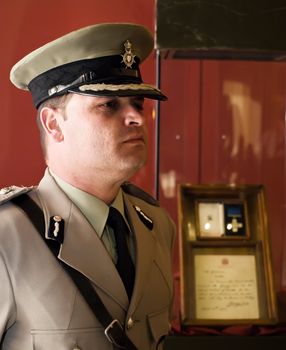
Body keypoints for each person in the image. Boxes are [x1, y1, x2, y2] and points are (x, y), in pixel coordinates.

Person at [0, 23, 175, 350]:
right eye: (109, 105)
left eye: (138, 104)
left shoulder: (157, 226)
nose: (136, 118)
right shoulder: (7, 238)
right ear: (54, 124)